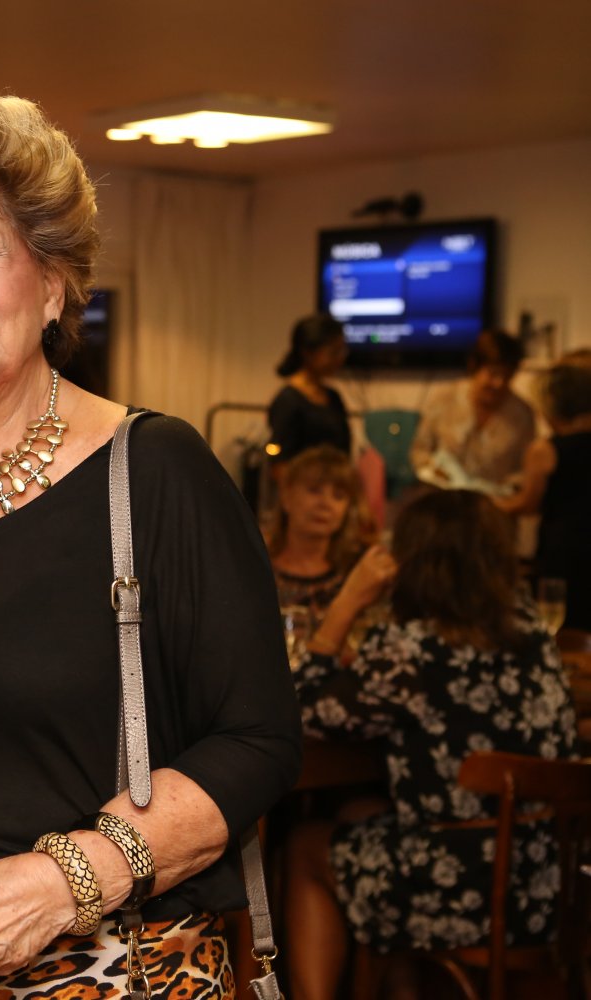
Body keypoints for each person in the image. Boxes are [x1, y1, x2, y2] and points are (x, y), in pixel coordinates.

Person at [0, 77, 301, 998]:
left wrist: (69, 879)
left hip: (108, 971)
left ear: (54, 281)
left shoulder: (156, 472)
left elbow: (257, 741)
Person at [285, 490, 576, 1000]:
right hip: (544, 884)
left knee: (306, 846)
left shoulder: (410, 650)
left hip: (462, 891)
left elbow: (298, 711)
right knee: (357, 812)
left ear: (412, 561)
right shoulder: (532, 631)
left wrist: (348, 602)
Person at [497, 360, 591, 630]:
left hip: (565, 550)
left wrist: (494, 505)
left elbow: (529, 503)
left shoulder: (545, 450)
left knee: (563, 627)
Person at [410, 329, 535, 493]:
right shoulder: (445, 399)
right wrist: (433, 472)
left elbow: (525, 470)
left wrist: (506, 489)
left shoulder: (522, 414)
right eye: (493, 374)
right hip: (444, 498)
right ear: (475, 367)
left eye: (507, 376)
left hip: (494, 503)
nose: (499, 383)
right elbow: (420, 450)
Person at [265, 445, 374, 617]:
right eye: (314, 490)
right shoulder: (256, 564)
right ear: (286, 496)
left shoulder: (357, 571)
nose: (325, 504)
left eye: (338, 496)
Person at [268, 314, 352, 464]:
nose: (341, 357)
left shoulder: (333, 396)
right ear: (308, 353)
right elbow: (279, 463)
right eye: (334, 352)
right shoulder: (288, 400)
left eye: (342, 350)